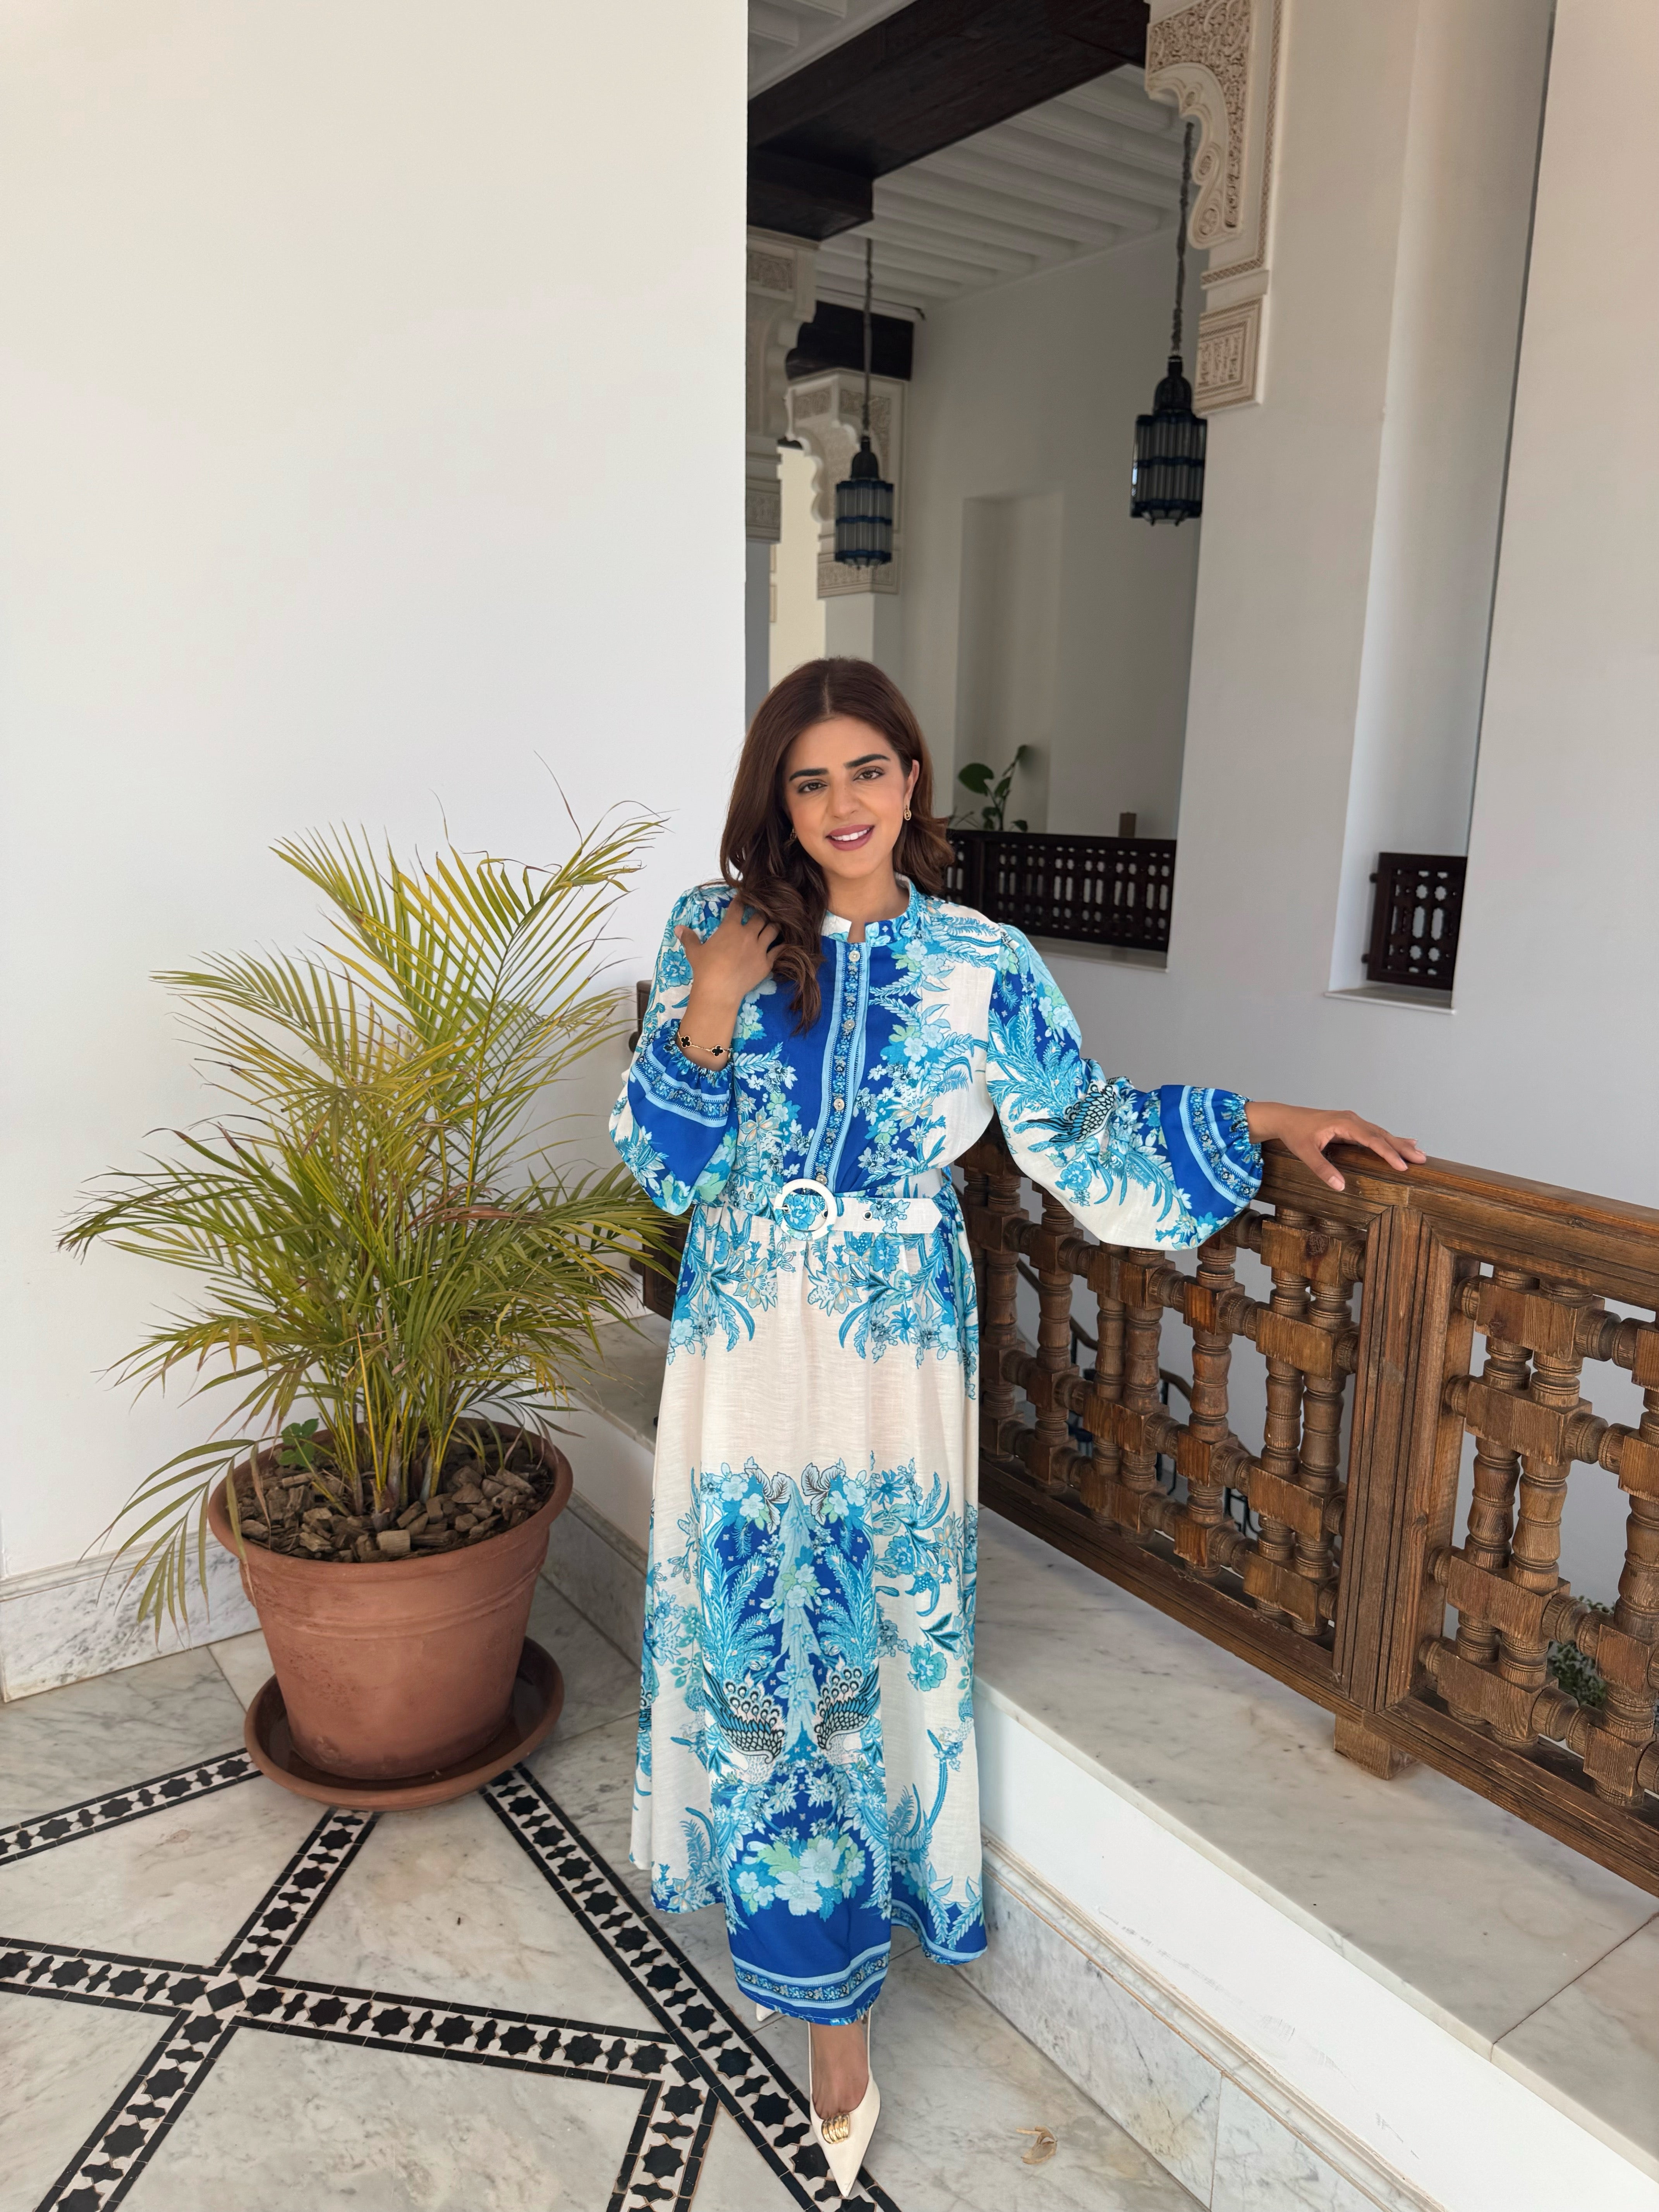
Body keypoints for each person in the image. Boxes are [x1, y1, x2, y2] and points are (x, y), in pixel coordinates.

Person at [610, 658, 1421, 2194]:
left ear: (912, 779)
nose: (842, 804)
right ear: (777, 798)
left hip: (892, 1355)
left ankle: (846, 1983)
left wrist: (1261, 1118)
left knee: (870, 1644)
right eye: (808, 779)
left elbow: (1084, 1130)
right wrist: (710, 1003)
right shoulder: (713, 931)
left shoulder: (982, 963)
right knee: (760, 1639)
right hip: (743, 1343)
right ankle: (822, 2003)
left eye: (867, 770)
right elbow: (662, 1169)